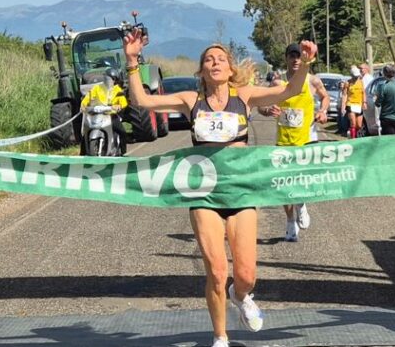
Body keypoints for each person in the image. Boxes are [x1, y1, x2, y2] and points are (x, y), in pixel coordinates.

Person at [123, 29, 317, 347]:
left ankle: (240, 295)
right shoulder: (191, 101)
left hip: (240, 193)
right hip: (204, 194)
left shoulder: (245, 96)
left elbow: (289, 90)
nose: (215, 61)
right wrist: (132, 62)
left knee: (246, 275)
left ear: (230, 69)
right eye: (208, 59)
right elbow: (142, 101)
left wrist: (306, 64)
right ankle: (220, 336)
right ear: (202, 70)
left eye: (220, 58)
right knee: (215, 269)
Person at [258, 43, 329, 242]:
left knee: (302, 181)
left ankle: (301, 204)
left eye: (300, 56)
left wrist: (322, 111)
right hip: (283, 141)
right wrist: (269, 111)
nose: (296, 60)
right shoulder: (277, 85)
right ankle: (290, 222)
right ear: (286, 58)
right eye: (292, 56)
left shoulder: (312, 81)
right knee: (284, 184)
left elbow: (325, 98)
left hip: (306, 139)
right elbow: (261, 107)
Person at [80, 67, 128, 154]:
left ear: (115, 80)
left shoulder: (117, 90)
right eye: (107, 77)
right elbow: (88, 97)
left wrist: (119, 106)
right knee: (85, 135)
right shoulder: (97, 88)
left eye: (111, 78)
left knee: (123, 133)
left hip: (111, 116)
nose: (108, 79)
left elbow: (123, 101)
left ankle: (123, 153)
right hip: (96, 114)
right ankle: (82, 156)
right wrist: (83, 105)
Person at [374, 64, 395, 135]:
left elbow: (378, 104)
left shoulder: (384, 87)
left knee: (388, 141)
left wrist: (376, 100)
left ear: (385, 74)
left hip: (386, 117)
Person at [340, 65, 366, 139]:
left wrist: (364, 102)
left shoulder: (361, 82)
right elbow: (344, 95)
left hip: (359, 105)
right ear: (351, 75)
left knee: (359, 125)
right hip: (350, 104)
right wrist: (343, 107)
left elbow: (363, 93)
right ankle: (353, 138)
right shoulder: (347, 83)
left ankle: (351, 132)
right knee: (353, 123)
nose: (356, 77)